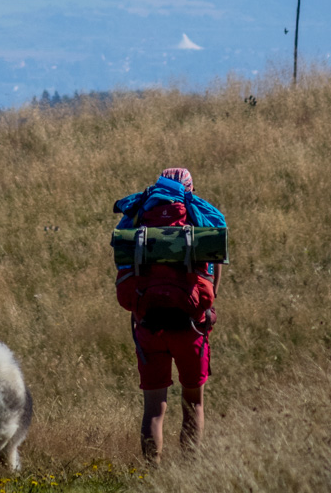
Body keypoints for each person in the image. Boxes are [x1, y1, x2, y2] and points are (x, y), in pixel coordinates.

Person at [114, 165, 224, 462]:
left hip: (149, 327)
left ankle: (151, 475)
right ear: (189, 189)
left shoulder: (139, 218)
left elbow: (124, 268)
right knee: (194, 404)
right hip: (191, 326)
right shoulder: (198, 217)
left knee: (154, 409)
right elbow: (214, 277)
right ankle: (188, 474)